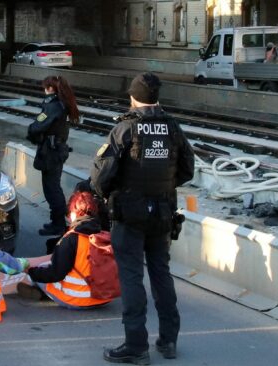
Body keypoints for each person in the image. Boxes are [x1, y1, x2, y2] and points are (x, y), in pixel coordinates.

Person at [91, 73, 194, 364]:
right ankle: (168, 341)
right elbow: (187, 169)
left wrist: (113, 194)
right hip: (162, 214)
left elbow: (100, 177)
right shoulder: (173, 128)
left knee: (132, 277)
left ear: (133, 97)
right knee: (161, 274)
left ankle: (136, 346)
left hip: (130, 215)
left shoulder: (125, 129)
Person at [18, 191, 113, 309]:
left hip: (78, 299)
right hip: (105, 297)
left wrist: (31, 272)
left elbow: (56, 273)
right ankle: (38, 290)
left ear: (75, 212)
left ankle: (37, 288)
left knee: (42, 271)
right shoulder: (105, 235)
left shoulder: (72, 238)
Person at [26, 76, 79, 236]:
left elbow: (38, 125)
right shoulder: (62, 104)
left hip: (51, 152)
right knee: (53, 187)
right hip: (56, 150)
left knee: (52, 188)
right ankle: (57, 221)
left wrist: (31, 130)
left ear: (50, 88)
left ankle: (58, 224)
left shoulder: (53, 106)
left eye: (45, 87)